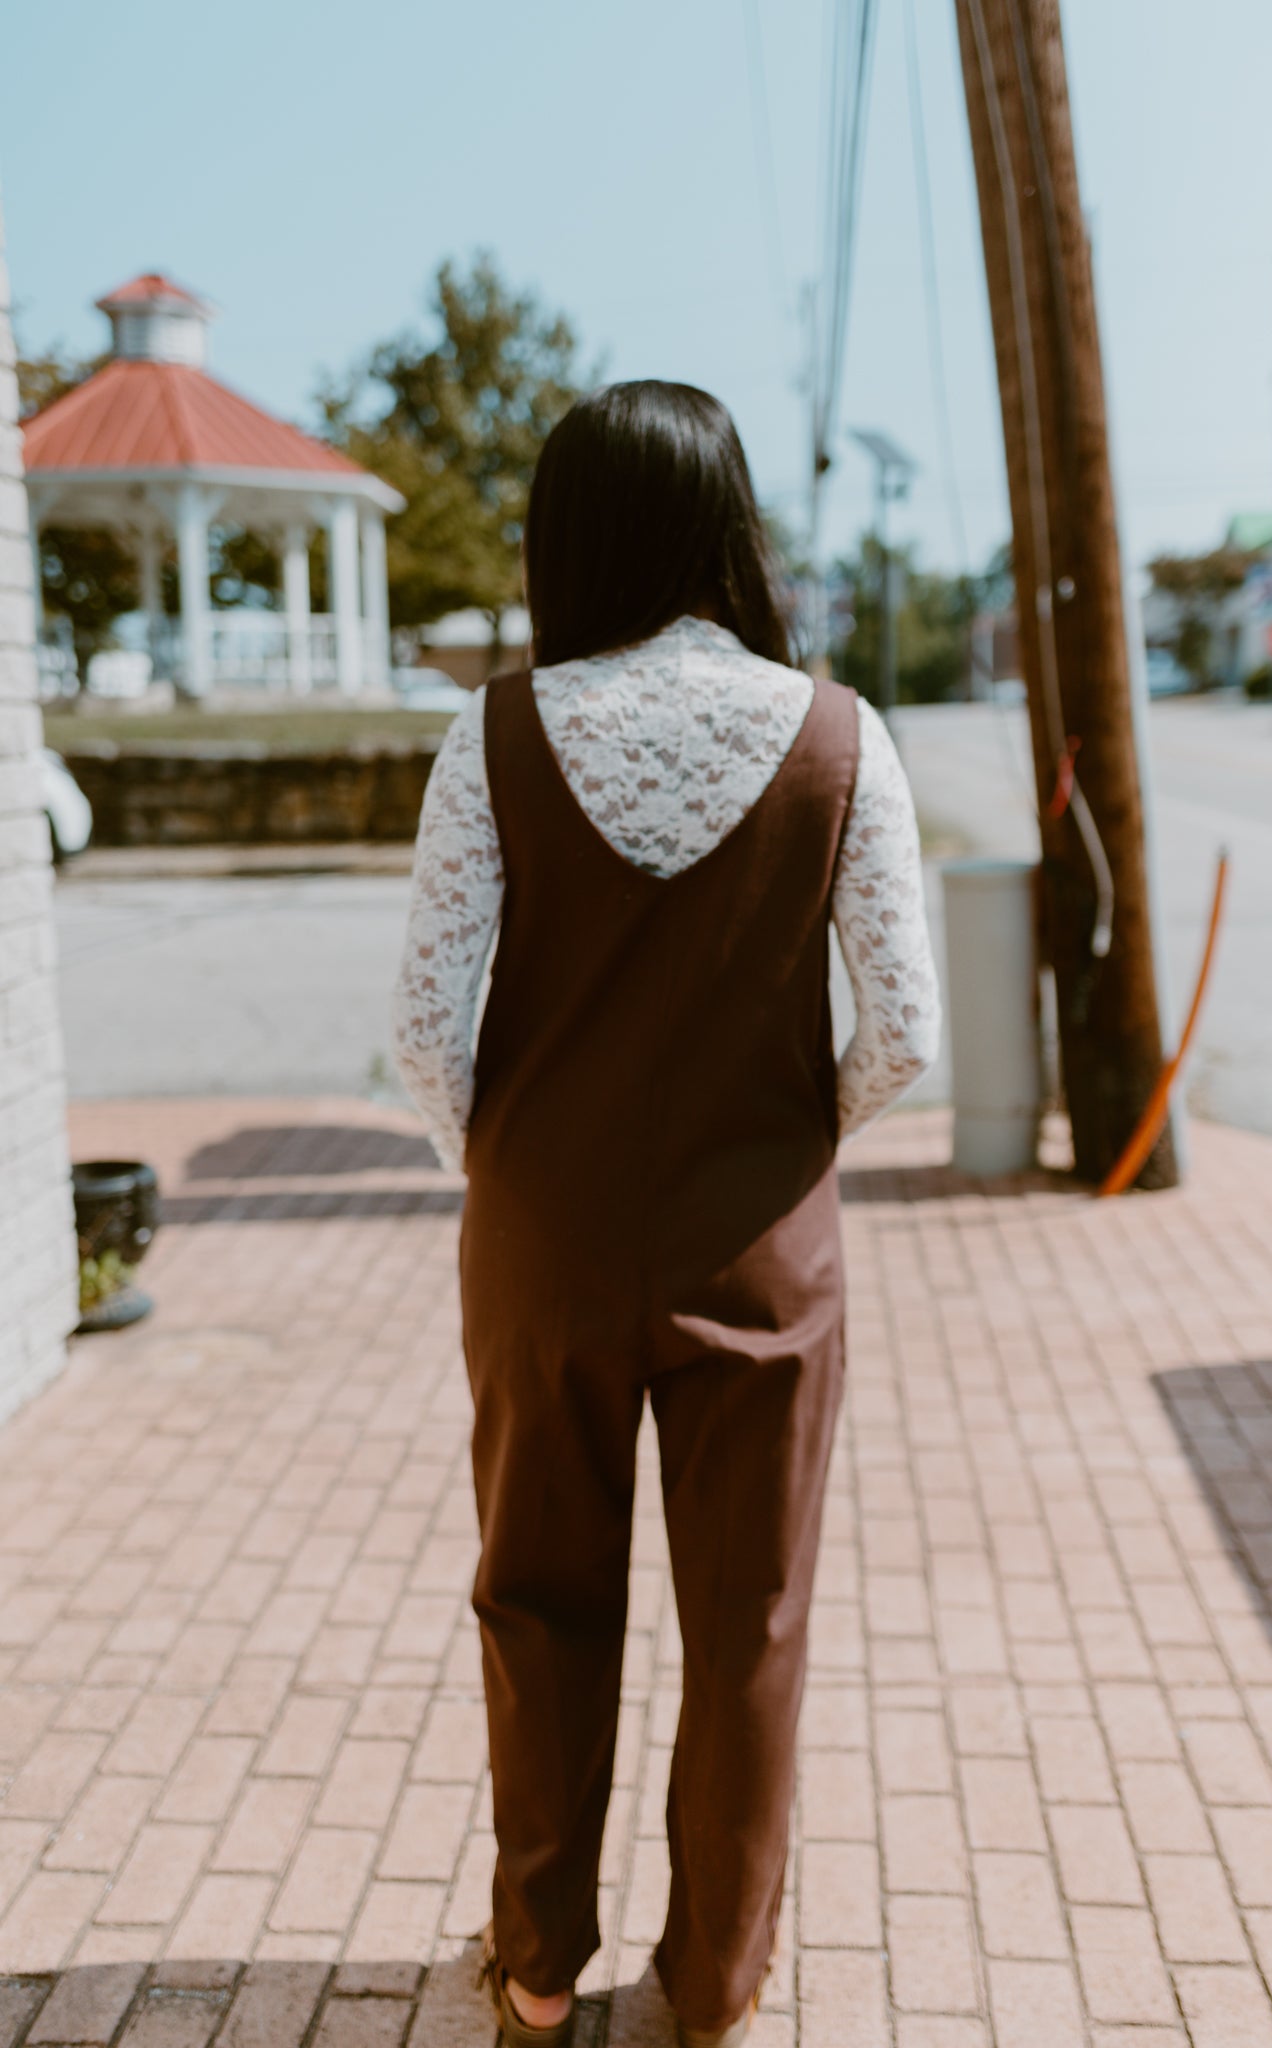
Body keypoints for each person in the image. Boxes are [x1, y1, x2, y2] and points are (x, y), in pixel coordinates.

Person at [392, 380, 939, 2048]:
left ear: (573, 536)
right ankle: (709, 1990)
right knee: (748, 1623)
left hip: (543, 1238)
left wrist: (501, 1163)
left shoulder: (497, 731)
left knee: (539, 1600)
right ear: (729, 527)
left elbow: (426, 1030)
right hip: (763, 1248)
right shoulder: (840, 735)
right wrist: (785, 1141)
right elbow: (907, 1028)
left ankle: (540, 1975)